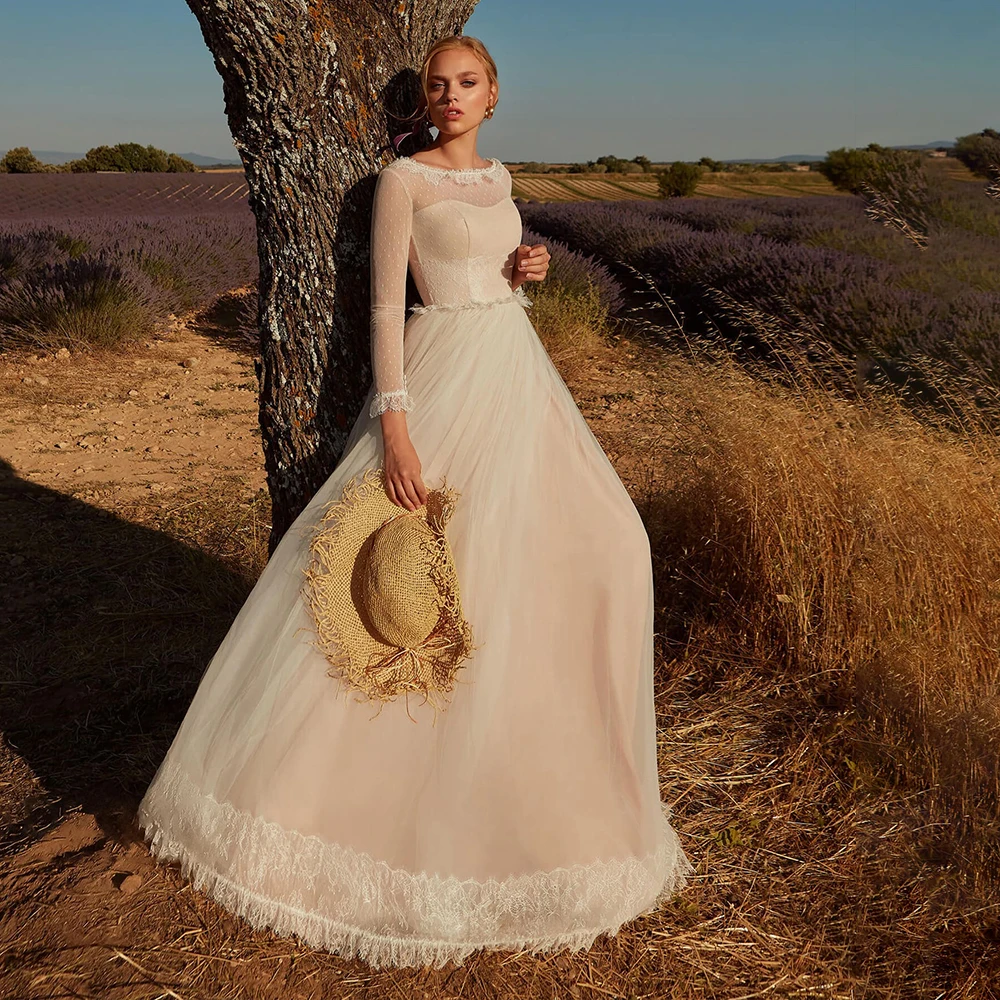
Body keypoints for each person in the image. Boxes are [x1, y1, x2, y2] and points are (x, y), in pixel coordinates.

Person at [136, 32, 694, 971]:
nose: (450, 96)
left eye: (466, 83)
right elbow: (387, 308)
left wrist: (528, 275)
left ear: (494, 94)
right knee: (423, 569)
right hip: (438, 383)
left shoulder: (501, 180)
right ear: (426, 99)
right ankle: (351, 788)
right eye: (438, 85)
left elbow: (496, 274)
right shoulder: (404, 182)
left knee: (601, 543)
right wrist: (395, 424)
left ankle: (528, 759)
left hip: (515, 370)